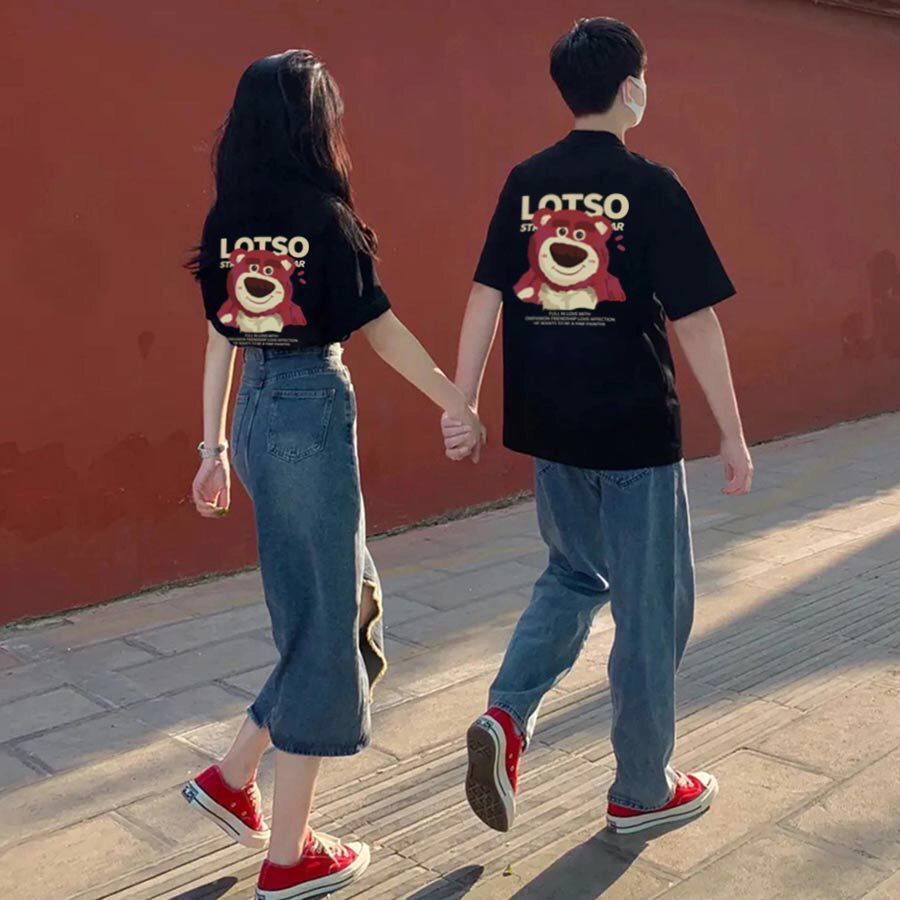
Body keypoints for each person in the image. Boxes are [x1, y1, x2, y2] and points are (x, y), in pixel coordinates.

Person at [184, 50, 483, 899]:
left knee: (347, 606)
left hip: (258, 415)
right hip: (308, 411)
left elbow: (221, 336)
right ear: (313, 126)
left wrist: (214, 450)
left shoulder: (228, 219)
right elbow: (379, 329)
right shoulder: (324, 216)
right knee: (325, 625)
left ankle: (234, 774)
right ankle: (288, 858)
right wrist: (455, 400)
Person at [442, 17, 753, 836]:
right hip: (634, 429)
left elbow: (486, 293)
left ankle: (506, 715)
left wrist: (461, 401)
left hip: (551, 428)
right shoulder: (651, 186)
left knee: (574, 576)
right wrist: (732, 431)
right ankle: (642, 789)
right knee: (653, 607)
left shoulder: (525, 181)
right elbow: (695, 320)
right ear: (630, 89)